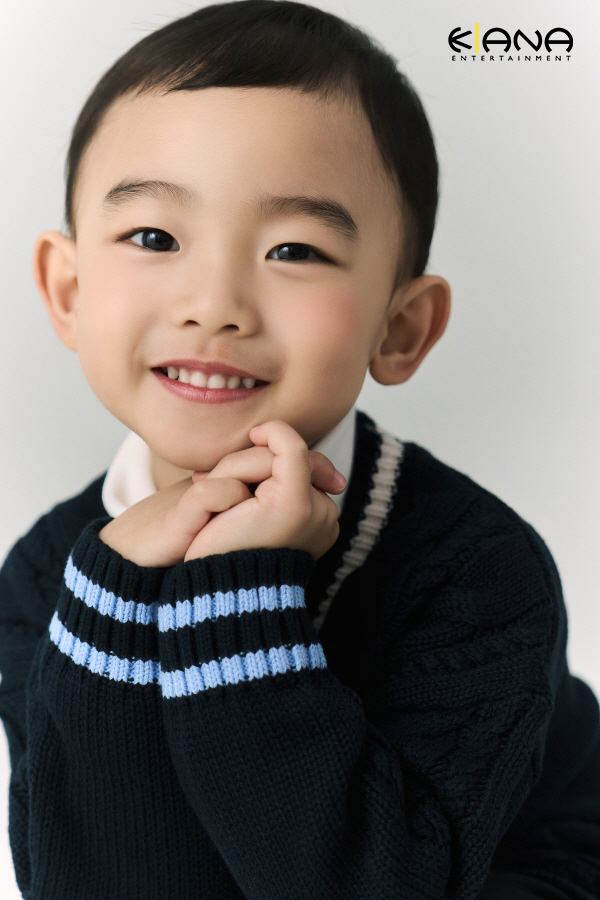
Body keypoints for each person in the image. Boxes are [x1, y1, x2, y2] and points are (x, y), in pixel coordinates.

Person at [0, 2, 598, 898]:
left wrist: (238, 594)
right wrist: (116, 603)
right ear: (69, 292)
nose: (215, 304)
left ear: (400, 328)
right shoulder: (48, 576)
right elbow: (84, 880)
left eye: (294, 249)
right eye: (154, 237)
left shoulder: (475, 571)